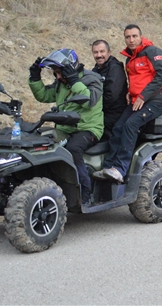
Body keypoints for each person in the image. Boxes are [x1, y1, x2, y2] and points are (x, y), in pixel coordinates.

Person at [94, 24, 162, 183]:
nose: (131, 39)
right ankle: (108, 167)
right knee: (117, 127)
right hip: (138, 101)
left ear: (141, 36)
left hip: (157, 99)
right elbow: (137, 80)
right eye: (128, 37)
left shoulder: (153, 52)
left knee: (130, 125)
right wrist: (130, 92)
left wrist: (143, 96)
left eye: (134, 36)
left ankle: (121, 169)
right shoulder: (130, 58)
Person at [29, 49, 104, 205]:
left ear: (69, 68)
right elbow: (43, 95)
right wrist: (35, 78)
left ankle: (85, 192)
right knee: (40, 143)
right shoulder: (61, 83)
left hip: (88, 128)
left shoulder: (93, 79)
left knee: (73, 149)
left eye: (59, 72)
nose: (57, 76)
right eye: (54, 73)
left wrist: (74, 80)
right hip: (65, 128)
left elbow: (89, 101)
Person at [91, 39, 128, 140]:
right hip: (102, 112)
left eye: (102, 51)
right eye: (95, 52)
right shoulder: (96, 70)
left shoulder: (115, 68)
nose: (99, 55)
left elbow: (111, 96)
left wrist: (93, 108)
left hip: (114, 114)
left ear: (109, 52)